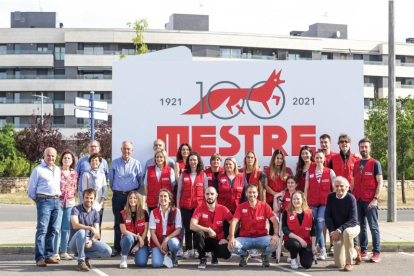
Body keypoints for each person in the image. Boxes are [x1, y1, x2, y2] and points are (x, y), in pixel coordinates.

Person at [228, 184, 279, 267]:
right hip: (246, 239)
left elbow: (274, 221)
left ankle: (264, 255)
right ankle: (244, 255)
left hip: (261, 238)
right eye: (250, 192)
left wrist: (276, 234)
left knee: (276, 242)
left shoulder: (265, 206)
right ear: (246, 193)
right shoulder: (241, 207)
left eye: (254, 192)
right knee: (231, 247)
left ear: (257, 193)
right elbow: (234, 222)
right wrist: (232, 238)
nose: (252, 194)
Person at [28, 147, 61, 267]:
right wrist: (40, 202)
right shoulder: (38, 170)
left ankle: (48, 255)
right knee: (42, 230)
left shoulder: (57, 169)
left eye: (53, 156)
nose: (51, 158)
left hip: (56, 201)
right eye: (49, 155)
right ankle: (40, 257)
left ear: (56, 157)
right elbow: (31, 190)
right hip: (44, 200)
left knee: (53, 230)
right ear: (44, 155)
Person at [352, 138, 383, 263]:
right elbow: (354, 182)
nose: (363, 149)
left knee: (373, 227)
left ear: (370, 148)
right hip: (358, 199)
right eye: (362, 147)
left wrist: (375, 199)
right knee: (361, 227)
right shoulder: (356, 163)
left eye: (366, 147)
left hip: (370, 200)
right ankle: (363, 250)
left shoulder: (375, 163)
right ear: (359, 148)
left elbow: (380, 183)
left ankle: (376, 252)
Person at [110, 141, 143, 257]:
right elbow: (111, 180)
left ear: (132, 151)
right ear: (121, 149)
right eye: (124, 148)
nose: (126, 151)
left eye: (128, 149)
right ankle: (117, 248)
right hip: (118, 195)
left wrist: (133, 193)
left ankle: (132, 247)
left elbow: (140, 180)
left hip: (132, 195)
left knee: (134, 222)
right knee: (118, 222)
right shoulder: (114, 163)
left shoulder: (137, 163)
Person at [69, 188, 112, 271]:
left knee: (108, 251)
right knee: (81, 231)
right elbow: (75, 225)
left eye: (91, 198)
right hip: (75, 242)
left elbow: (97, 234)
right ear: (83, 198)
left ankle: (84, 257)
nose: (89, 200)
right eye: (87, 198)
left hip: (88, 242)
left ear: (94, 199)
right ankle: (81, 261)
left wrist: (92, 241)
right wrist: (90, 228)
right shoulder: (76, 209)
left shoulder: (95, 213)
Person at [304, 150, 336, 260]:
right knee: (314, 226)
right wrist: (305, 204)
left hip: (325, 203)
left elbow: (334, 189)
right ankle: (322, 249)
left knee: (319, 225)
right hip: (312, 203)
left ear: (324, 159)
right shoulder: (309, 172)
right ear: (314, 159)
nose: (319, 160)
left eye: (321, 158)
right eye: (317, 158)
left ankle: (311, 249)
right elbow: (306, 188)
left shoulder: (330, 172)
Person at [190, 186, 233, 269]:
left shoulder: (223, 209)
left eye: (212, 194)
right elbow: (192, 225)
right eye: (207, 194)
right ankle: (202, 258)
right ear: (204, 195)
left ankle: (214, 255)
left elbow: (234, 223)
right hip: (205, 241)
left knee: (226, 254)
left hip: (218, 240)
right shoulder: (199, 209)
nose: (209, 196)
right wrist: (208, 229)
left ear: (216, 195)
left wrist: (228, 238)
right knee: (199, 233)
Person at [325, 177, 362, 271]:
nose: (339, 188)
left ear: (347, 187)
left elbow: (353, 220)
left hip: (352, 227)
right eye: (336, 186)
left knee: (347, 233)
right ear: (334, 187)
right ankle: (354, 252)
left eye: (341, 186)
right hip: (337, 230)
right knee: (338, 264)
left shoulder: (351, 198)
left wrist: (339, 230)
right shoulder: (331, 197)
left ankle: (349, 262)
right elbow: (328, 216)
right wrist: (332, 231)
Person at [177, 152, 208, 259]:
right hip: (185, 206)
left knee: (197, 229)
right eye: (191, 160)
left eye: (195, 160)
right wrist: (177, 207)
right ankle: (189, 249)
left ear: (198, 161)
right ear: (188, 162)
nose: (193, 162)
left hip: (199, 207)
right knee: (187, 229)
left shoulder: (203, 175)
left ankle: (196, 250)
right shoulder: (183, 174)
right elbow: (179, 192)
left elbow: (206, 192)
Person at [214, 157, 248, 239]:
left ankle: (235, 249)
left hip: (237, 209)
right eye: (226, 164)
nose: (228, 166)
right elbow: (214, 193)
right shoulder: (219, 177)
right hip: (223, 209)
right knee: (224, 231)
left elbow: (246, 195)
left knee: (237, 230)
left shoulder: (241, 178)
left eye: (230, 164)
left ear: (234, 165)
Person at [282, 191, 317, 269]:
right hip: (292, 241)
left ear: (303, 200)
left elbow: (313, 231)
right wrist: (300, 240)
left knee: (307, 265)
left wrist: (313, 246)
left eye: (298, 199)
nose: (296, 201)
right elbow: (285, 229)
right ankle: (293, 259)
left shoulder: (309, 213)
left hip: (306, 243)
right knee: (295, 244)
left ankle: (302, 255)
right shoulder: (287, 212)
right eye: (294, 199)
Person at [53, 150, 78, 261]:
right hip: (59, 202)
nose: (67, 160)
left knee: (66, 228)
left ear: (72, 160)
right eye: (65, 158)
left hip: (70, 202)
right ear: (61, 160)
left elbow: (74, 188)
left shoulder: (74, 173)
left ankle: (64, 251)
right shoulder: (57, 171)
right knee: (56, 228)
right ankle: (55, 252)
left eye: (69, 158)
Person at [149, 189, 182, 268]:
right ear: (158, 199)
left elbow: (178, 229)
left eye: (165, 196)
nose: (162, 198)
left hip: (171, 239)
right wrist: (160, 247)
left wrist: (167, 238)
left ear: (170, 199)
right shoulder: (153, 212)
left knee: (173, 244)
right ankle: (163, 255)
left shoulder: (176, 211)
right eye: (160, 196)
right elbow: (152, 233)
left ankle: (173, 257)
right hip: (158, 240)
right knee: (156, 264)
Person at [264, 149, 292, 236]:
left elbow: (292, 182)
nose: (279, 160)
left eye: (281, 158)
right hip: (271, 200)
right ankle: (272, 247)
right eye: (277, 158)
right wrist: (275, 194)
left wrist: (284, 192)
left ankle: (284, 245)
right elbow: (265, 185)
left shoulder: (288, 170)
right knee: (273, 223)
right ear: (273, 159)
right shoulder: (267, 170)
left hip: (285, 200)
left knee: (285, 222)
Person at [119, 191, 149, 268]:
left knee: (141, 263)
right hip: (128, 240)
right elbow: (124, 231)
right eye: (130, 198)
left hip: (141, 242)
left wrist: (138, 245)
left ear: (138, 199)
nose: (132, 200)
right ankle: (124, 257)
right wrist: (137, 236)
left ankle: (137, 256)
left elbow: (145, 230)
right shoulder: (122, 213)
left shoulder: (144, 213)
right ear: (128, 199)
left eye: (135, 198)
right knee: (129, 237)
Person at [320, 134, 338, 253]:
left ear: (330, 143)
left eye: (325, 142)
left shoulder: (336, 156)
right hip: (321, 195)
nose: (324, 144)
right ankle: (323, 246)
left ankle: (332, 245)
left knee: (332, 220)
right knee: (323, 223)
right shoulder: (317, 156)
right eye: (321, 142)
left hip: (334, 194)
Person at [82, 153, 108, 233]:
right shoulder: (86, 174)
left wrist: (100, 203)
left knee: (97, 226)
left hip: (99, 205)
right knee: (88, 226)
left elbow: (105, 190)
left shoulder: (102, 175)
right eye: (92, 160)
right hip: (88, 204)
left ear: (100, 162)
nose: (94, 162)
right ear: (90, 162)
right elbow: (84, 191)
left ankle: (97, 243)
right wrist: (89, 202)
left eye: (96, 160)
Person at [144, 149, 176, 214]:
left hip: (166, 202)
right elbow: (145, 184)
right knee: (153, 221)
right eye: (157, 157)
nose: (159, 159)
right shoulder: (149, 169)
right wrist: (148, 195)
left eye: (161, 157)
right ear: (155, 158)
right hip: (152, 201)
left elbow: (173, 186)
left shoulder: (170, 170)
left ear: (164, 158)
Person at [173, 143, 192, 257]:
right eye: (183, 150)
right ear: (180, 152)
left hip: (192, 198)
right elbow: (177, 180)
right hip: (181, 196)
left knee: (191, 224)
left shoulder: (192, 163)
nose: (185, 151)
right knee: (181, 224)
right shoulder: (177, 164)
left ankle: (191, 248)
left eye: (187, 149)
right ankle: (180, 246)